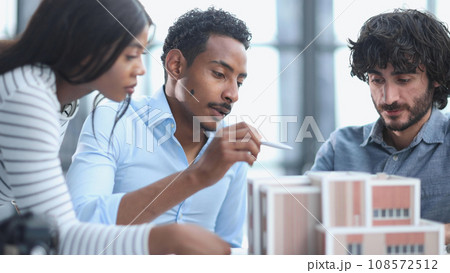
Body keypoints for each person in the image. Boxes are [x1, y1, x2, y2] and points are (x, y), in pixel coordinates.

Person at [0, 0, 231, 254]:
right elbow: (63, 236)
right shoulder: (27, 95)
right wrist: (166, 238)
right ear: (86, 46)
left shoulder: (57, 101)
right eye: (131, 56)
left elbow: (45, 219)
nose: (141, 70)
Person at [65, 7, 261, 248]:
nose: (232, 94)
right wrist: (196, 176)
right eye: (219, 74)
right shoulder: (114, 120)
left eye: (239, 83)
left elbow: (229, 246)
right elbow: (79, 223)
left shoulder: (231, 149)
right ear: (176, 66)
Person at [310, 9, 450, 245]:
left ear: (435, 79)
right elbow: (308, 224)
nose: (388, 97)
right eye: (377, 80)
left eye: (403, 80)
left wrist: (416, 237)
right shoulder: (340, 146)